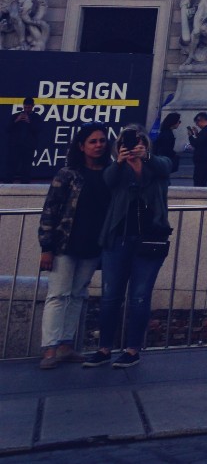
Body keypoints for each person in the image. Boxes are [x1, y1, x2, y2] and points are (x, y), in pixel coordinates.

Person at [95, 125, 174, 367]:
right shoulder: (116, 169)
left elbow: (164, 168)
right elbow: (107, 181)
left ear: (147, 145)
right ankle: (104, 348)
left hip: (148, 240)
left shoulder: (157, 165)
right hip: (117, 238)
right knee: (110, 296)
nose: (132, 147)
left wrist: (144, 159)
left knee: (139, 297)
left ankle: (132, 350)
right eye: (127, 144)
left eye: (139, 142)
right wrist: (119, 162)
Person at [36, 123, 112, 369]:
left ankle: (66, 345)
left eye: (101, 140)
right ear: (81, 146)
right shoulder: (67, 173)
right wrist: (46, 247)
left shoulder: (110, 173)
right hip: (64, 244)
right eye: (93, 141)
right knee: (58, 294)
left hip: (93, 245)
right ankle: (49, 348)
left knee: (78, 294)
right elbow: (50, 210)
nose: (98, 145)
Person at [187, 113, 207, 187]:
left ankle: (198, 194)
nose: (197, 125)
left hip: (201, 158)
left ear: (200, 120)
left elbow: (196, 143)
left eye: (197, 123)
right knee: (204, 178)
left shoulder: (205, 131)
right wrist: (198, 134)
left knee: (198, 179)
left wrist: (190, 136)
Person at [151, 112, 182, 178]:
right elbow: (166, 149)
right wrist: (174, 154)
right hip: (163, 160)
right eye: (179, 121)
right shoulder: (168, 134)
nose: (179, 123)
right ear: (173, 122)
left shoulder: (165, 132)